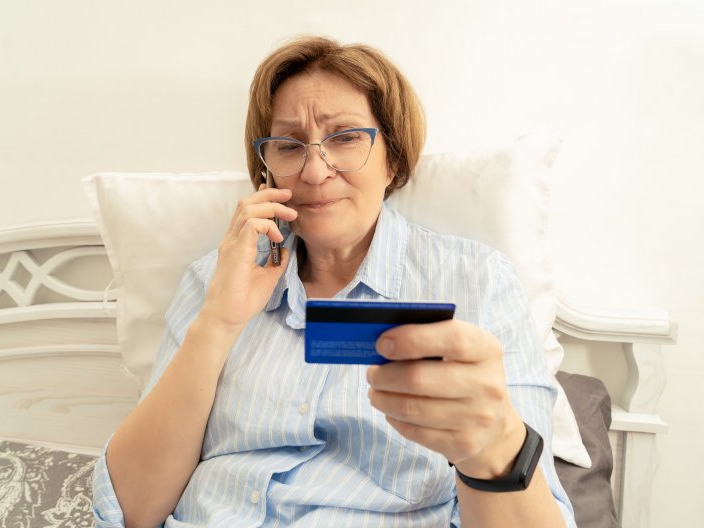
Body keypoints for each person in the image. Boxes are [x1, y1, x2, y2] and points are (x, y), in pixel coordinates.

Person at [93, 36, 575, 527]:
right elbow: (132, 511)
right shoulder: (213, 279)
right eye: (288, 145)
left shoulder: (478, 281)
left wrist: (493, 445)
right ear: (266, 171)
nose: (316, 170)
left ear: (393, 157)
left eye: (345, 137)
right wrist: (218, 321)